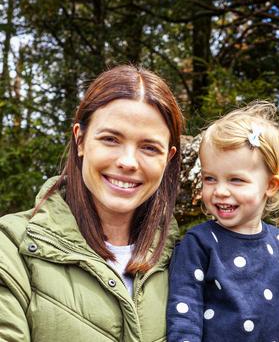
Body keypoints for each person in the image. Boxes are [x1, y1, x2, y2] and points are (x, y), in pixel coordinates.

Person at [0, 65, 184, 341]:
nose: (127, 162)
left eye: (149, 147)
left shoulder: (186, 259)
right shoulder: (12, 248)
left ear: (167, 159)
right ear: (81, 140)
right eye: (111, 139)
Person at [166, 102, 279, 342]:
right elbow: (184, 314)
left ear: (270, 185)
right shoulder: (198, 244)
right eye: (210, 178)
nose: (220, 191)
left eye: (236, 180)